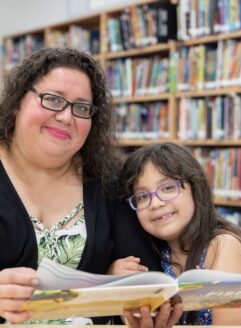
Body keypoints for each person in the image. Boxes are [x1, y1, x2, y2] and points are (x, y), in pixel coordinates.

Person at [0, 48, 182, 326]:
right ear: (17, 101)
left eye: (81, 108)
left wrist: (141, 307)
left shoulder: (109, 181)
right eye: (52, 100)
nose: (66, 117)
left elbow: (144, 278)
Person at [114, 142, 241, 326]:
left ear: (195, 188)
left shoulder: (224, 246)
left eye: (167, 188)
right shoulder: (159, 255)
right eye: (142, 196)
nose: (155, 203)